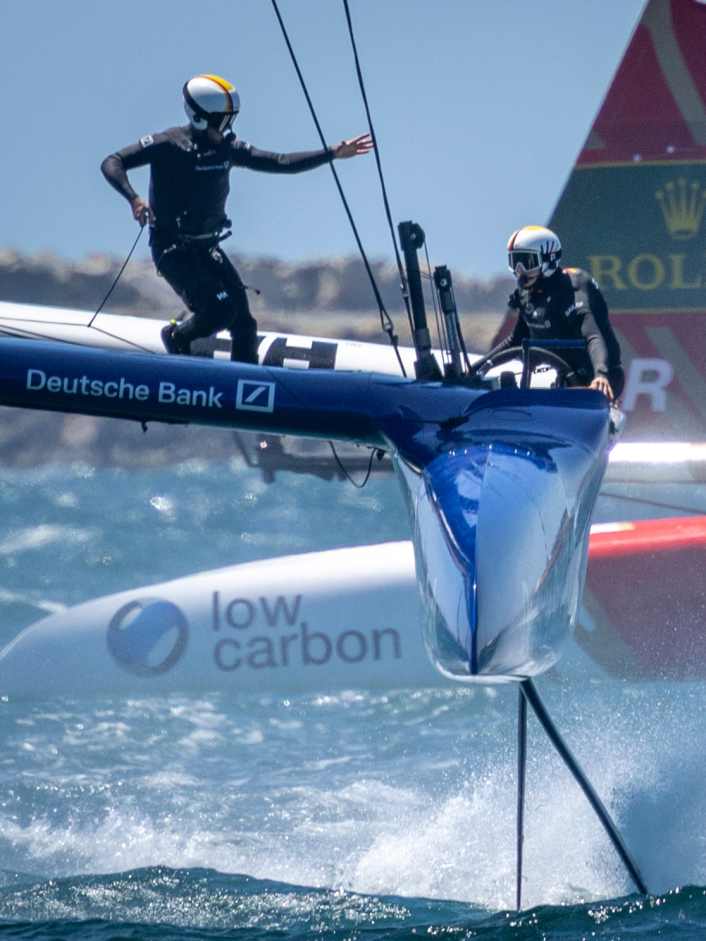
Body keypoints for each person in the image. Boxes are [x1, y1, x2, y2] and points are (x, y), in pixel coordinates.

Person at [101, 73, 373, 364]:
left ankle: (246, 383)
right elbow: (112, 162)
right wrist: (134, 198)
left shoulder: (227, 149)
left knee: (244, 324)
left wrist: (332, 152)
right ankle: (177, 336)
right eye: (224, 120)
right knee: (220, 311)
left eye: (232, 118)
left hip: (207, 249)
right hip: (173, 250)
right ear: (200, 118)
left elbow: (280, 162)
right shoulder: (168, 144)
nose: (229, 127)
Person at [488, 225, 624, 399]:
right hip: (566, 379)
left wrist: (601, 375)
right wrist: (477, 368)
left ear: (549, 260)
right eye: (515, 262)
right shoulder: (527, 294)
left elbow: (593, 336)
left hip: (603, 381)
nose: (520, 271)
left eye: (527, 263)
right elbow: (515, 341)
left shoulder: (574, 287)